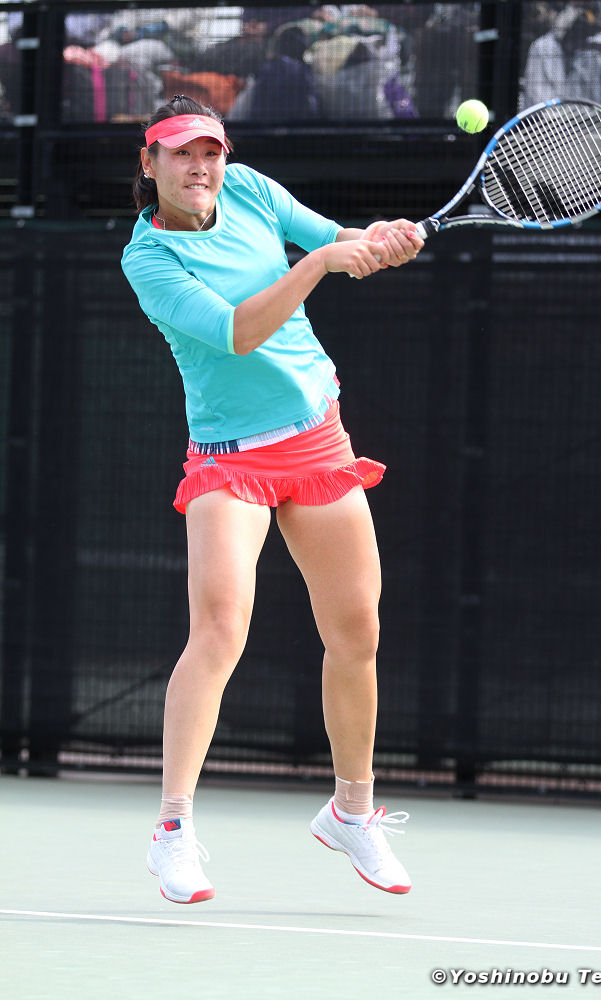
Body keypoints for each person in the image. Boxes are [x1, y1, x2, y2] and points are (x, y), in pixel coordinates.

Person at [121, 94, 423, 905]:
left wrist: (378, 240)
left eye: (210, 153)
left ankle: (350, 811)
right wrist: (321, 265)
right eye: (182, 154)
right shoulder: (148, 259)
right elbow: (237, 332)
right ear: (150, 163)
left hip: (316, 436)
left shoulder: (251, 189)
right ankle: (172, 831)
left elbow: (333, 238)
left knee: (356, 631)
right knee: (220, 630)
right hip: (230, 458)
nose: (200, 168)